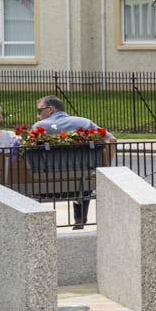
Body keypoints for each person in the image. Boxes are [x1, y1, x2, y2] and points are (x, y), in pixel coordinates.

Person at [33, 95, 116, 229]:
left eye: (39, 111)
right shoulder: (85, 123)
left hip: (47, 186)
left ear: (50, 109)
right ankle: (79, 220)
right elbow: (112, 141)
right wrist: (105, 167)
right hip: (82, 186)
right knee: (82, 176)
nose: (38, 115)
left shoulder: (40, 126)